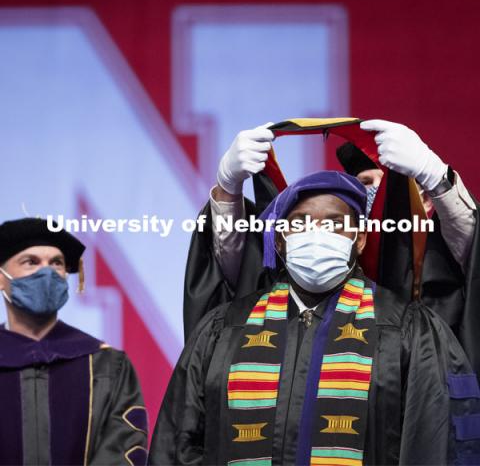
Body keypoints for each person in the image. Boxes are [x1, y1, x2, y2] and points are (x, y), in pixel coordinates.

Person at [150, 171, 480, 465]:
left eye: (335, 223)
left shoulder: (407, 329)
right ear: (280, 241)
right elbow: (179, 443)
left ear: (359, 238)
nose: (317, 233)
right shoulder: (226, 328)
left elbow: (435, 444)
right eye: (300, 222)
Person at [183, 119, 480, 379]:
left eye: (385, 184)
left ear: (425, 201)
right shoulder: (303, 269)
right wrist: (227, 187)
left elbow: (471, 253)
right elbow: (237, 268)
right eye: (365, 182)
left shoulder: (436, 263)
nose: (374, 194)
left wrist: (437, 178)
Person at [0, 218, 148, 466]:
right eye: (30, 262)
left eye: (56, 263)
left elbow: (123, 450)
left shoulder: (106, 364)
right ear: (2, 278)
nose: (46, 272)